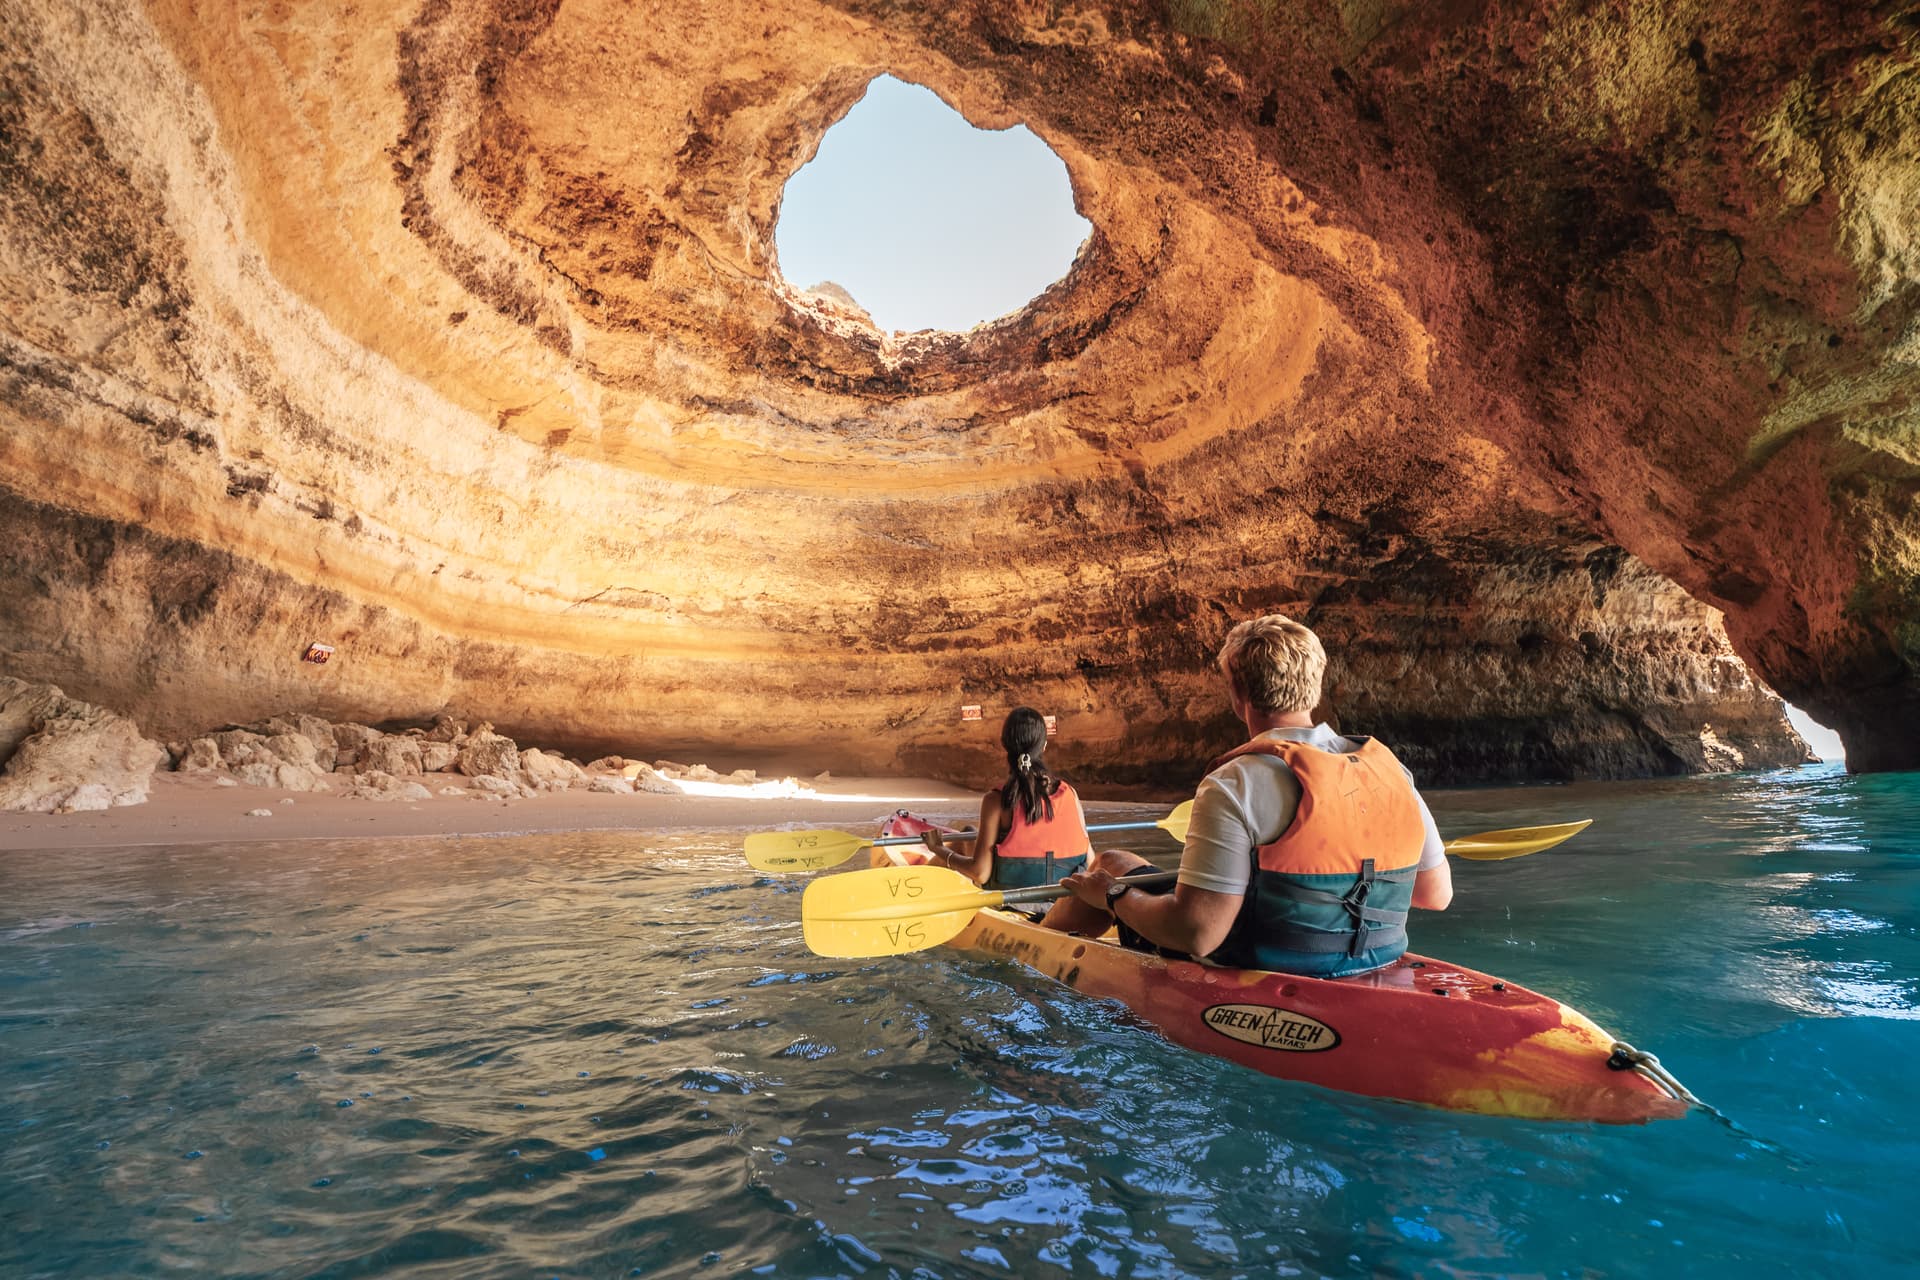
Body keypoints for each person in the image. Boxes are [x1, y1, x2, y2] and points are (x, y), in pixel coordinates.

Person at [1050, 614, 1452, 976]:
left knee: (1112, 866)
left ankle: (1029, 946)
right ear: (1314, 686)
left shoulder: (1233, 783)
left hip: (1261, 965)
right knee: (1118, 863)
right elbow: (1434, 894)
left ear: (1238, 694)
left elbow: (1198, 934)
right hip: (1377, 960)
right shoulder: (1393, 772)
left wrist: (1112, 895)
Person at [922, 707, 1092, 908]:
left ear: (1005, 745)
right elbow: (1089, 861)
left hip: (1011, 902)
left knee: (966, 836)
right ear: (1044, 746)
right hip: (1063, 901)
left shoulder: (996, 800)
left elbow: (980, 873)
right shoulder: (1070, 794)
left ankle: (920, 886)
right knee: (970, 834)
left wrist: (939, 849)